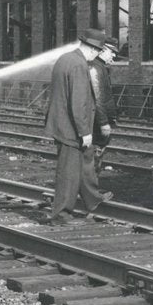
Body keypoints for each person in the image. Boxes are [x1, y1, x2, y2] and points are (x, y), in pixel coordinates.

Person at [43, 28, 112, 224]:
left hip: (63, 122)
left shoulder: (65, 58)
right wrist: (85, 132)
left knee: (86, 159)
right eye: (98, 52)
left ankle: (93, 198)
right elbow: (78, 101)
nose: (97, 56)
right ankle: (61, 215)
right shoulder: (80, 65)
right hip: (70, 128)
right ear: (91, 49)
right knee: (68, 171)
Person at [89, 35, 120, 174]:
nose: (114, 55)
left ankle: (90, 189)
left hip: (99, 121)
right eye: (112, 51)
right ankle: (90, 190)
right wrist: (103, 122)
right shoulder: (95, 68)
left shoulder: (101, 67)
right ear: (102, 50)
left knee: (96, 156)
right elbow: (97, 98)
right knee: (94, 158)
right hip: (97, 123)